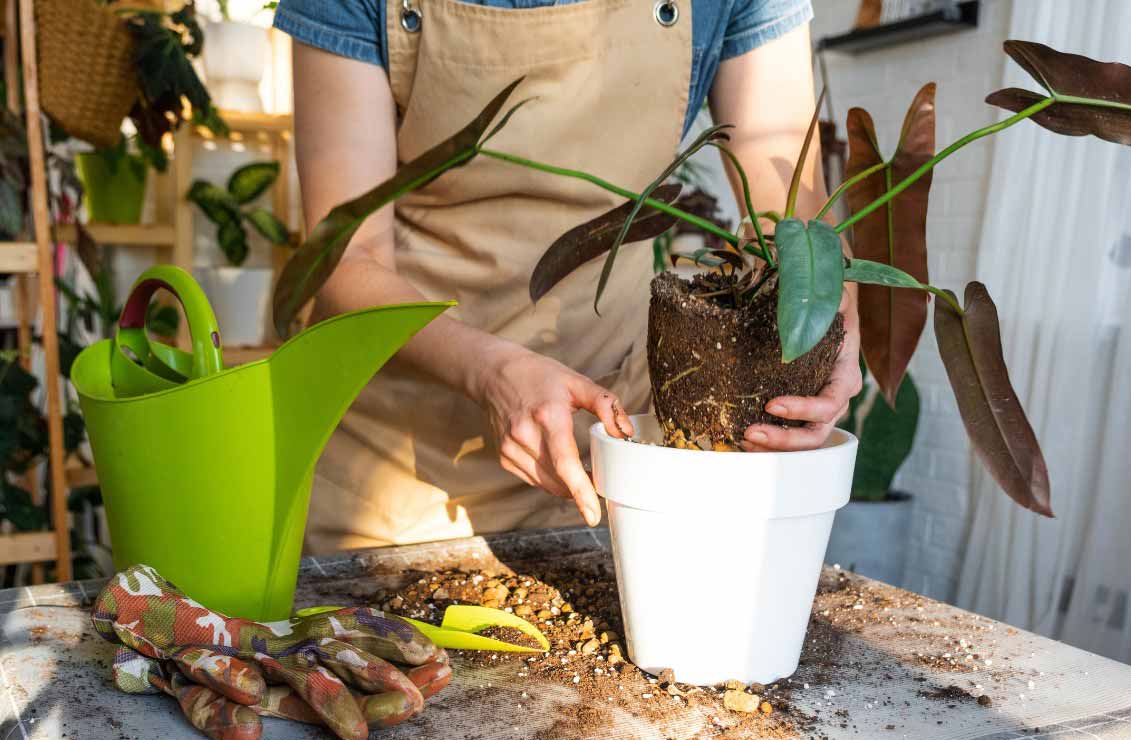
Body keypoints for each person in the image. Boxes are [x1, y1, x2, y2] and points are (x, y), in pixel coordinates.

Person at [273, 0, 862, 553]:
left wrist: (830, 321)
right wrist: (494, 372)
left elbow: (792, 224)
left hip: (616, 455)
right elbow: (349, 260)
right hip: (399, 477)